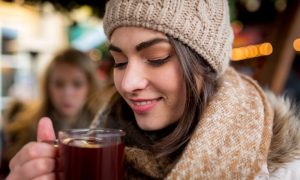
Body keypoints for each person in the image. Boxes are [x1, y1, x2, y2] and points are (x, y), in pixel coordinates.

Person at [7, 0, 300, 179]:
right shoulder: (98, 151)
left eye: (156, 59)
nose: (128, 83)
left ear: (205, 64)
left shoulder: (284, 171)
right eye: (119, 61)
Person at [1, 48, 109, 177]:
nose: (67, 93)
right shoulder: (18, 129)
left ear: (90, 87)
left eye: (77, 84)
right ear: (48, 87)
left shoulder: (106, 130)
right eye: (59, 84)